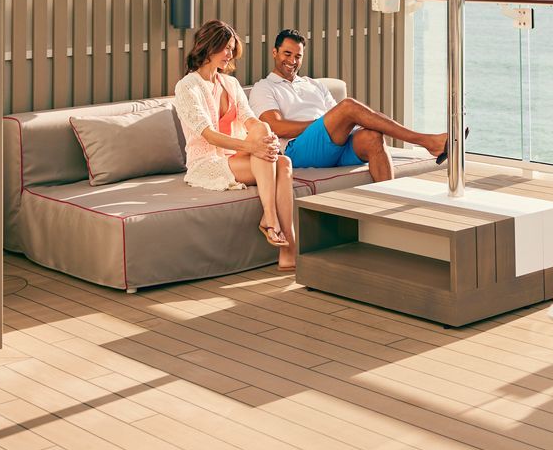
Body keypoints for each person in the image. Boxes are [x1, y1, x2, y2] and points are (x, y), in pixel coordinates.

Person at [248, 28, 451, 183]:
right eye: (287, 54)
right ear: (275, 52)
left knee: (372, 137)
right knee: (348, 107)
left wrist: (352, 124)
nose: (292, 61)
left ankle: (389, 206)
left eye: (297, 56)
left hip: (334, 146)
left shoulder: (314, 84)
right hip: (297, 149)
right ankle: (426, 141)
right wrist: (323, 123)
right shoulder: (264, 87)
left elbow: (338, 120)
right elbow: (276, 127)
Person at [173, 20, 298, 270]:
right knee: (280, 163)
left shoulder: (229, 84)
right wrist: (254, 148)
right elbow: (208, 135)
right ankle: (282, 237)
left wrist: (265, 136)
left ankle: (278, 235)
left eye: (232, 48)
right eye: (224, 48)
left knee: (276, 151)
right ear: (208, 47)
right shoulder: (187, 86)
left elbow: (248, 117)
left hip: (237, 156)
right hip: (206, 163)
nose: (229, 54)